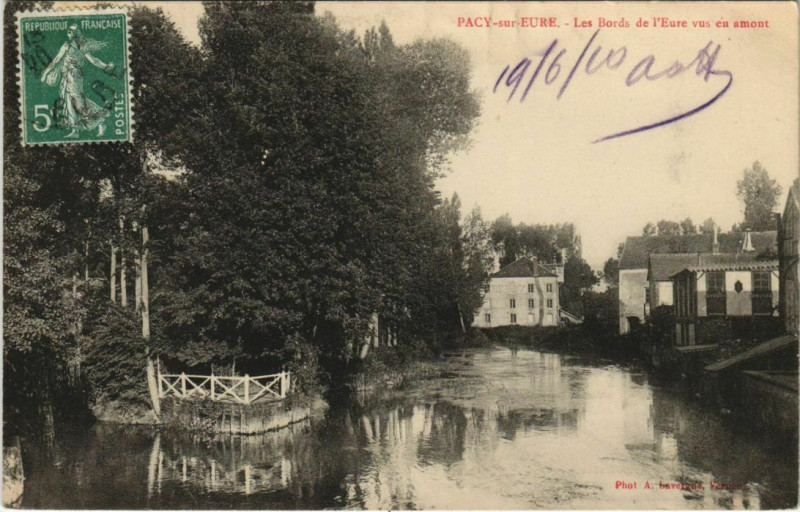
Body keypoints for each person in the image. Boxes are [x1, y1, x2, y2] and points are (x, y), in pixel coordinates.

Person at [40, 24, 116, 138]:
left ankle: (98, 121)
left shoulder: (78, 46)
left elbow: (93, 60)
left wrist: (105, 66)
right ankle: (76, 130)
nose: (70, 34)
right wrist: (45, 73)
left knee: (77, 102)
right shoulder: (72, 46)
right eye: (69, 32)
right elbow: (56, 61)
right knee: (70, 101)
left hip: (74, 76)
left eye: (71, 32)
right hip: (67, 77)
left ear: (76, 34)